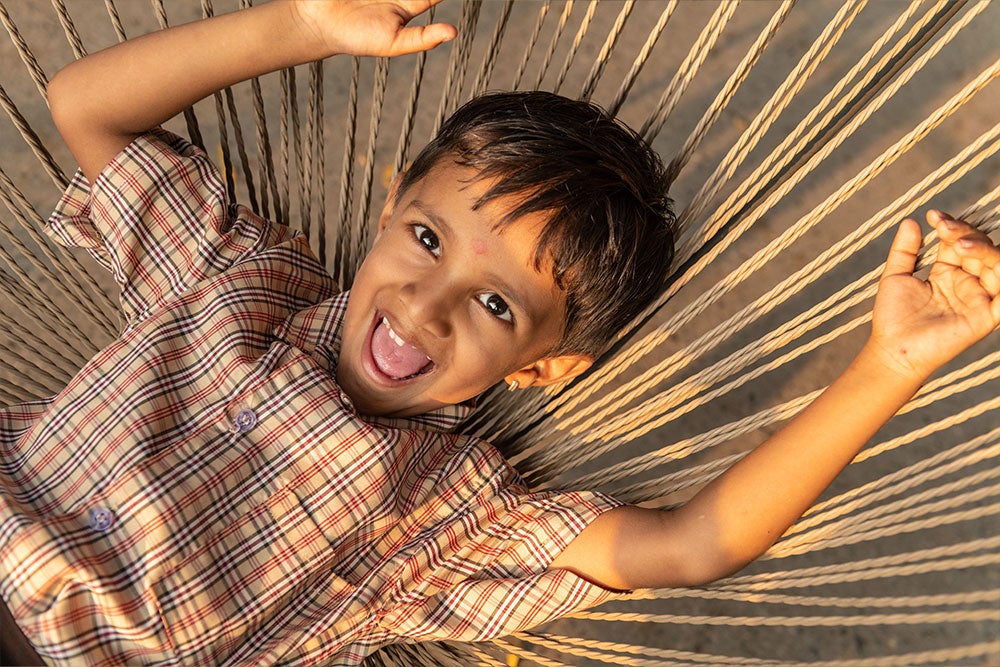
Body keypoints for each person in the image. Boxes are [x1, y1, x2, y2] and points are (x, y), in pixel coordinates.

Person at [1, 1, 997, 665]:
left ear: (547, 365)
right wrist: (302, 20)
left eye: (494, 307)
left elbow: (690, 545)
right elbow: (87, 108)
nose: (427, 302)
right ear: (388, 206)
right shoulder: (240, 279)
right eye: (427, 237)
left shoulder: (447, 512)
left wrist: (888, 364)